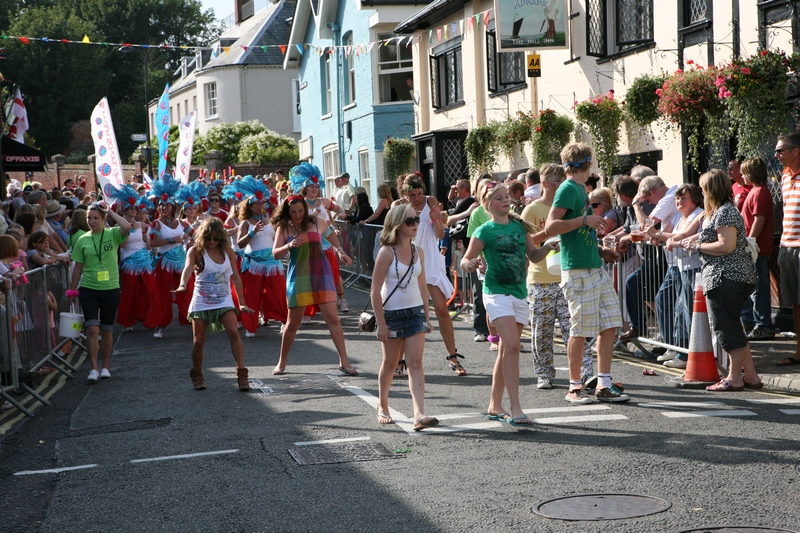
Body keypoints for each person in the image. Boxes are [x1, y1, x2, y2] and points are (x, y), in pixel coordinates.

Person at [462, 182, 557, 425]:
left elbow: (533, 256)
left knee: (506, 348)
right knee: (513, 346)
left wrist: (546, 247)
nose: (505, 201)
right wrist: (470, 264)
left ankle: (495, 405)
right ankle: (515, 406)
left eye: (506, 197)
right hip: (495, 292)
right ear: (488, 204)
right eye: (499, 198)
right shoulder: (483, 231)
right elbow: (465, 259)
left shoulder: (519, 226)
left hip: (518, 292)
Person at [545, 142, 629, 403]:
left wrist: (599, 250)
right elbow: (550, 227)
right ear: (588, 163)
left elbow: (577, 233)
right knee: (580, 330)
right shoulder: (568, 188)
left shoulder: (580, 189)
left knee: (610, 324)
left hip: (593, 267)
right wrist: (585, 220)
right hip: (578, 271)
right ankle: (574, 388)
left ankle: (603, 384)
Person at [681, 169, 761, 390]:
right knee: (734, 325)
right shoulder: (720, 211)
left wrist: (697, 246)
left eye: (702, 187)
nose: (700, 191)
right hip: (732, 277)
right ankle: (751, 376)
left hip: (725, 277)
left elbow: (726, 245)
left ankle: (734, 379)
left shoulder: (725, 211)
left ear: (710, 189)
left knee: (726, 328)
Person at [521, 163, 594, 389]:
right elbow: (526, 242)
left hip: (567, 275)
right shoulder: (532, 210)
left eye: (563, 181)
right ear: (544, 184)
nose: (561, 185)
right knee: (541, 331)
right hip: (541, 278)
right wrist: (550, 236)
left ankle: (586, 372)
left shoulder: (571, 203)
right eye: (556, 181)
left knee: (574, 327)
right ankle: (544, 374)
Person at [271, 191, 358, 376]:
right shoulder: (284, 228)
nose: (297, 215)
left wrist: (341, 251)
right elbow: (275, 254)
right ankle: (282, 362)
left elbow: (331, 236)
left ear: (305, 208)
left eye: (300, 210)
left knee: (333, 319)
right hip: (299, 277)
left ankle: (344, 361)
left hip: (321, 274)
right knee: (292, 323)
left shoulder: (317, 222)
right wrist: (288, 246)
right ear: (287, 211)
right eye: (293, 212)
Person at [372, 204, 438, 430]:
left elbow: (422, 286)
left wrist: (427, 318)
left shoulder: (418, 251)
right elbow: (375, 291)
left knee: (415, 362)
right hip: (392, 315)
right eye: (410, 222)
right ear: (398, 225)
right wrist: (381, 323)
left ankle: (419, 414)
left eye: (416, 220)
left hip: (415, 313)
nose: (415, 225)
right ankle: (382, 406)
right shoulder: (386, 252)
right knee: (390, 364)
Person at [174, 217, 253, 391]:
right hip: (201, 300)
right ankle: (197, 374)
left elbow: (236, 278)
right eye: (208, 237)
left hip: (224, 299)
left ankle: (242, 374)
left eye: (216, 238)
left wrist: (241, 303)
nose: (211, 241)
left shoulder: (227, 252)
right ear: (203, 236)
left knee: (233, 332)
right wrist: (182, 284)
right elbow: (188, 268)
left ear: (222, 238)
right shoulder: (196, 251)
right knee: (198, 341)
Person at [402, 173, 467, 375]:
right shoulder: (399, 206)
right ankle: (399, 361)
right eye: (412, 195)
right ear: (405, 194)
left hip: (429, 261)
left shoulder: (430, 202)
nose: (416, 198)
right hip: (408, 262)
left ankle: (453, 356)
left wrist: (436, 218)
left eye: (419, 193)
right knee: (406, 312)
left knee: (441, 309)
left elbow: (440, 234)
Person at [68, 202, 131, 382]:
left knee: (107, 330)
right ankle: (93, 368)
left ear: (103, 219)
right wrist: (72, 290)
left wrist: (110, 211)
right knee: (92, 328)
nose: (92, 221)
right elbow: (78, 267)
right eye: (89, 218)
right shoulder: (83, 239)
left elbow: (126, 226)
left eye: (96, 218)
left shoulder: (112, 234)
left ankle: (105, 367)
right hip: (89, 288)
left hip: (111, 288)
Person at [646, 184, 704, 366]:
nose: (679, 202)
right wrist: (659, 236)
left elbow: (680, 236)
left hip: (693, 268)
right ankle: (679, 349)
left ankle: (686, 355)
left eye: (684, 198)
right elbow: (670, 235)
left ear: (694, 199)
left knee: (686, 310)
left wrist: (658, 234)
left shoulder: (698, 214)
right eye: (677, 199)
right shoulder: (681, 216)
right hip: (680, 267)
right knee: (680, 309)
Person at [230, 176, 288, 338]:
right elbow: (240, 244)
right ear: (250, 205)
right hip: (253, 263)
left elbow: (275, 238)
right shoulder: (245, 223)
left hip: (272, 262)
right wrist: (252, 232)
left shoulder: (269, 220)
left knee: (277, 293)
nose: (260, 205)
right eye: (257, 203)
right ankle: (250, 326)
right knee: (252, 296)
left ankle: (284, 321)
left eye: (262, 202)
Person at [144, 175, 190, 338]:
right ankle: (159, 325)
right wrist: (172, 239)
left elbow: (195, 235)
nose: (165, 208)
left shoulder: (182, 223)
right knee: (162, 295)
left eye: (168, 205)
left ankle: (189, 318)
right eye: (162, 206)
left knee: (186, 290)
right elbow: (153, 243)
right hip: (164, 262)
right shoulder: (155, 224)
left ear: (173, 206)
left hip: (182, 261)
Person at [108, 185, 156, 332]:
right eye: (131, 209)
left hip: (144, 260)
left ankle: (151, 318)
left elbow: (147, 244)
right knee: (129, 292)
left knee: (149, 291)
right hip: (129, 261)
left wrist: (147, 237)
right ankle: (127, 322)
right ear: (125, 210)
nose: (134, 211)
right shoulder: (119, 226)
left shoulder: (142, 225)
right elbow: (122, 245)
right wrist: (127, 229)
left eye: (135, 209)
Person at [739, 157, 775, 341]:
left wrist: (750, 242)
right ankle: (759, 323)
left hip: (757, 249)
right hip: (756, 247)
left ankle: (763, 326)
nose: (742, 176)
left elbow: (759, 219)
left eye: (745, 172)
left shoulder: (759, 192)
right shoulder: (756, 191)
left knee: (758, 288)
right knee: (754, 287)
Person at [775, 133, 800, 366]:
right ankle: (799, 351)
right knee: (794, 301)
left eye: (781, 150)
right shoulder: (784, 176)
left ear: (796, 150)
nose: (777, 155)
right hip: (787, 245)